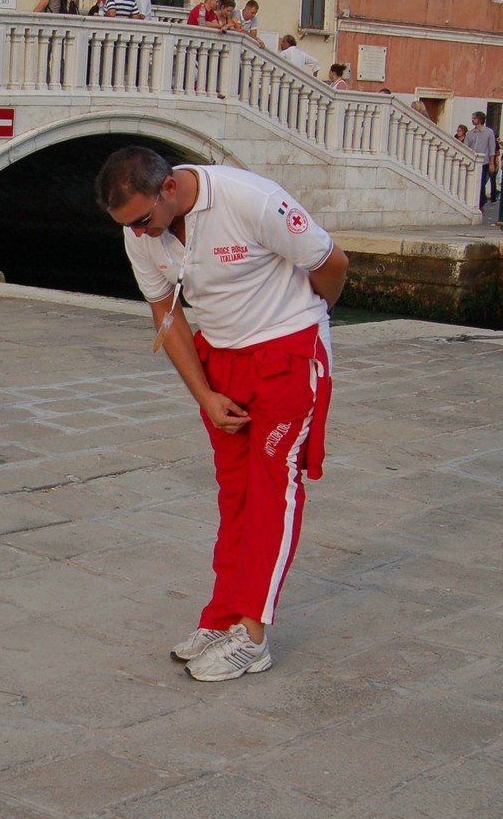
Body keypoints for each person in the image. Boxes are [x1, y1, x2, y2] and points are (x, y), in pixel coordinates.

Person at [96, 145, 348, 682]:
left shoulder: (250, 200)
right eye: (128, 226)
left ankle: (253, 635)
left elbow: (332, 263)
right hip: (222, 363)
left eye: (142, 220)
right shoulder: (139, 230)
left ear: (168, 189)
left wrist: (309, 319)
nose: (139, 234)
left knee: (271, 489)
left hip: (285, 354)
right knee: (234, 492)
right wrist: (204, 396)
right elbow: (165, 313)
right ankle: (223, 616)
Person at [466, 111, 501, 207]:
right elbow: (466, 147)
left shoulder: (489, 132)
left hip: (484, 161)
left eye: (474, 118)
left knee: (481, 181)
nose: (472, 120)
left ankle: (481, 201)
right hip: (472, 160)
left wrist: (492, 163)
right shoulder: (470, 133)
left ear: (480, 119)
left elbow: (492, 147)